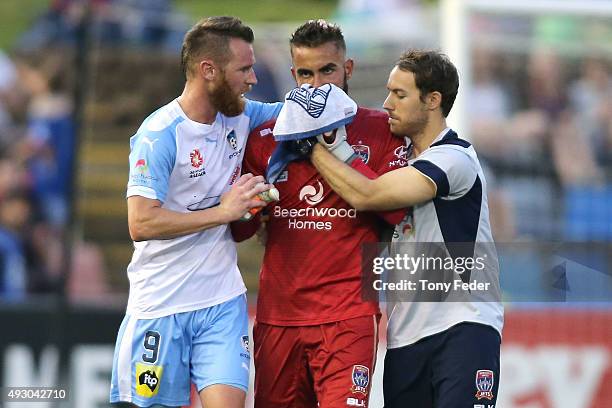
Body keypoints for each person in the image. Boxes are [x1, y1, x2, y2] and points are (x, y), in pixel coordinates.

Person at [307, 50, 504, 407]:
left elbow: (367, 195)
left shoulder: (455, 158)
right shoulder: (396, 164)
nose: (386, 104)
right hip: (404, 337)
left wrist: (313, 149)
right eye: (388, 92)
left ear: (432, 101)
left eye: (400, 95)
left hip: (463, 327)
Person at [231, 20, 407, 408]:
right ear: (293, 75)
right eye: (306, 73)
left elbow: (396, 212)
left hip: (347, 316)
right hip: (280, 316)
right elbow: (239, 232)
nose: (317, 84)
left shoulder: (381, 131)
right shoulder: (267, 137)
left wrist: (326, 149)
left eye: (328, 70)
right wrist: (250, 211)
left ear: (348, 68)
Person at [109, 16, 282, 408]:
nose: (252, 79)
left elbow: (291, 115)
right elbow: (141, 222)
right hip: (160, 307)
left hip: (221, 302)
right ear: (209, 70)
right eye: (244, 69)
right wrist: (224, 212)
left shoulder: (241, 115)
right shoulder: (160, 134)